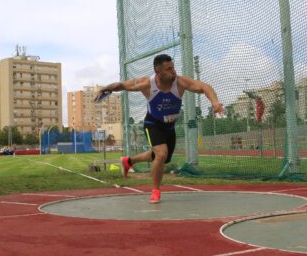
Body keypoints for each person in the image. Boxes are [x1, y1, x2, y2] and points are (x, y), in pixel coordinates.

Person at [94, 54, 224, 203]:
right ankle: (155, 190)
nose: (173, 72)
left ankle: (129, 161)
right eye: (168, 69)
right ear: (158, 72)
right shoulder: (146, 84)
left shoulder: (180, 82)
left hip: (169, 127)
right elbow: (122, 85)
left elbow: (203, 87)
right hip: (153, 124)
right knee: (161, 154)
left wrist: (215, 103)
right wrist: (105, 89)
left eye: (173, 67)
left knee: (162, 157)